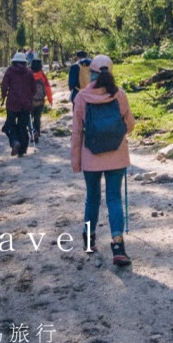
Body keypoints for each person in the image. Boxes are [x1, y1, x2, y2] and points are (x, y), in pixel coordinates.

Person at [70, 54, 136, 266]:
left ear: (92, 73)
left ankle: (89, 240)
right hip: (116, 157)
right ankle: (118, 245)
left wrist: (76, 161)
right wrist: (115, 135)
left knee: (92, 198)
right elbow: (131, 125)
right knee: (114, 199)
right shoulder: (119, 95)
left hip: (91, 158)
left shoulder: (81, 97)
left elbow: (77, 133)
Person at [0, 51, 36, 156]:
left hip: (12, 103)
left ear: (14, 61)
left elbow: (4, 86)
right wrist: (29, 97)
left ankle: (15, 142)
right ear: (24, 62)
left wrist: (3, 97)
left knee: (9, 125)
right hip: (26, 104)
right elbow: (34, 89)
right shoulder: (29, 72)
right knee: (22, 127)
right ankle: (22, 151)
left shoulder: (10, 71)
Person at [29, 58, 53, 144]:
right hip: (40, 101)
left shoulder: (29, 74)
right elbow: (47, 88)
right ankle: (37, 136)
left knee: (29, 118)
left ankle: (33, 132)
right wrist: (50, 100)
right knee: (37, 118)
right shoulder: (42, 76)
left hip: (30, 101)